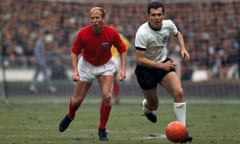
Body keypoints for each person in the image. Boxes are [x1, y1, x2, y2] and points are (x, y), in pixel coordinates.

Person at [58, 6, 127, 141]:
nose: (94, 21)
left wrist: (123, 69)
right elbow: (74, 52)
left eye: (97, 18)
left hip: (105, 66)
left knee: (107, 96)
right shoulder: (83, 33)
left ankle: (102, 129)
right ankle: (71, 115)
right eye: (92, 18)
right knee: (77, 100)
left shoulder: (112, 33)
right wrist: (75, 70)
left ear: (103, 19)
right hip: (86, 66)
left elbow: (122, 49)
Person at [134, 2, 192, 143]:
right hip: (146, 70)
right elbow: (140, 60)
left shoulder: (169, 24)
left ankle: (182, 132)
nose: (156, 17)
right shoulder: (142, 33)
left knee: (178, 92)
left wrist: (183, 48)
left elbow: (177, 34)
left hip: (163, 64)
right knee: (154, 105)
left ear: (163, 15)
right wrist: (161, 66)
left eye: (159, 14)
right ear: (148, 16)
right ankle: (146, 107)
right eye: (153, 15)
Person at [110, 33, 130, 104]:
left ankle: (111, 97)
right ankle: (116, 97)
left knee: (109, 78)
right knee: (113, 78)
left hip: (111, 58)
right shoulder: (118, 35)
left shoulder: (107, 34)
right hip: (115, 58)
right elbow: (127, 44)